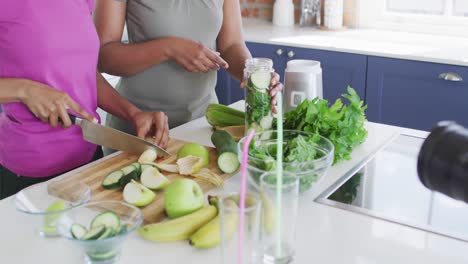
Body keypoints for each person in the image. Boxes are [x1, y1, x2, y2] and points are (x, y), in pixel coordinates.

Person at [0, 0, 169, 199]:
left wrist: (133, 114)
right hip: (29, 173)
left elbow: (85, 74)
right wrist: (25, 90)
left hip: (89, 157)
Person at [93, 0, 282, 154]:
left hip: (201, 128)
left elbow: (231, 45)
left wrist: (253, 74)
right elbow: (103, 55)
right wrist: (169, 48)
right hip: (141, 131)